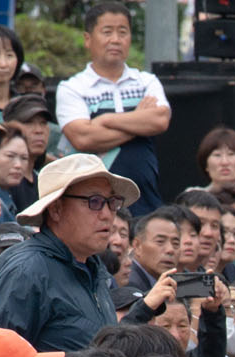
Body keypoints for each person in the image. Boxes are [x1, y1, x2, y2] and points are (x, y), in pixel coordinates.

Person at [0, 155, 133, 352]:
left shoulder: (95, 269)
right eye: (94, 202)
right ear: (56, 209)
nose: (107, 214)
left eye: (112, 202)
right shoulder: (27, 271)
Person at [55, 2, 169, 214]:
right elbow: (83, 137)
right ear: (88, 39)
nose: (115, 39)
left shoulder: (146, 81)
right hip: (94, 205)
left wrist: (106, 120)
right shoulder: (72, 88)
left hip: (145, 201)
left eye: (122, 32)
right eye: (107, 32)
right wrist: (138, 120)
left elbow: (160, 120)